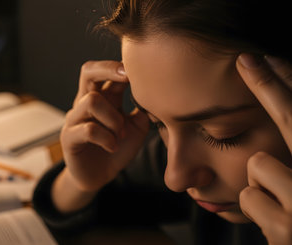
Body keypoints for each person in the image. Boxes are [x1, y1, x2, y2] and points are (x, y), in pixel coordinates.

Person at [33, 0, 292, 244]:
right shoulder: (177, 154)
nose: (175, 178)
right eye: (157, 122)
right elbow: (83, 213)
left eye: (222, 135)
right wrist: (80, 183)